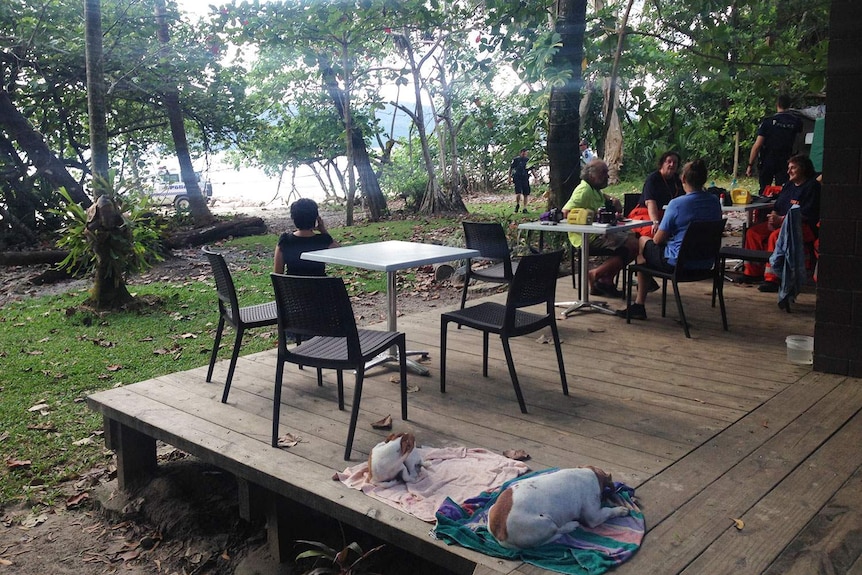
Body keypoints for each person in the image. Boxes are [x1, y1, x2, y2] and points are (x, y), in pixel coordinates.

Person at [616, 159, 723, 320]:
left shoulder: (677, 204)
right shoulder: (715, 201)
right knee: (649, 248)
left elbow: (658, 240)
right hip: (706, 263)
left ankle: (639, 303)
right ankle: (646, 281)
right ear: (704, 180)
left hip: (678, 264)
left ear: (683, 179)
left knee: (643, 242)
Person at [741, 154, 820, 292]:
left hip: (803, 227)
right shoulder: (789, 185)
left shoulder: (812, 187)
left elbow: (807, 214)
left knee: (776, 237)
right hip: (782, 223)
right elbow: (778, 207)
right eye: (788, 168)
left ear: (804, 169)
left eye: (793, 168)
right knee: (753, 233)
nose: (788, 171)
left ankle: (773, 279)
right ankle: (752, 273)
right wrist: (773, 218)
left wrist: (781, 220)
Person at [562, 160, 639, 298]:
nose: (607, 176)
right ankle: (597, 274)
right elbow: (566, 212)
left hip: (601, 233)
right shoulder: (583, 190)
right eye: (603, 173)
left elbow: (606, 205)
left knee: (634, 240)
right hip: (586, 238)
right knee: (633, 245)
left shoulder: (595, 190)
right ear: (592, 176)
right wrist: (588, 218)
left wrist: (613, 203)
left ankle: (605, 279)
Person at [746, 94, 803, 194]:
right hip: (786, 160)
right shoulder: (797, 122)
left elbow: (757, 145)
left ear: (777, 104)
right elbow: (798, 143)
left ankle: (764, 208)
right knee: (784, 190)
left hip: (768, 159)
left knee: (764, 190)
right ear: (790, 105)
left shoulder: (768, 122)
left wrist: (750, 164)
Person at [273, 198, 339, 276]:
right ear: (316, 218)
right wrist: (323, 230)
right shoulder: (323, 240)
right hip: (321, 287)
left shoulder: (285, 240)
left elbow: (277, 274)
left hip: (292, 287)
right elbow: (340, 252)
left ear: (293, 218)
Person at [627, 151, 684, 238]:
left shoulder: (678, 180)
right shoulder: (653, 179)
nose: (672, 165)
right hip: (646, 214)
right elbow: (650, 202)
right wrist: (655, 221)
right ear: (662, 163)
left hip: (667, 215)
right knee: (653, 232)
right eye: (669, 161)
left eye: (675, 162)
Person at [510, 148, 531, 213]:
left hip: (525, 178)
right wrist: (509, 178)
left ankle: (525, 208)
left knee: (526, 194)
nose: (524, 154)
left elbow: (532, 169)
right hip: (517, 177)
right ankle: (517, 204)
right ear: (521, 153)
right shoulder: (516, 160)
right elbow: (511, 168)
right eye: (523, 153)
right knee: (518, 193)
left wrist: (536, 177)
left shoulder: (528, 160)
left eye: (525, 153)